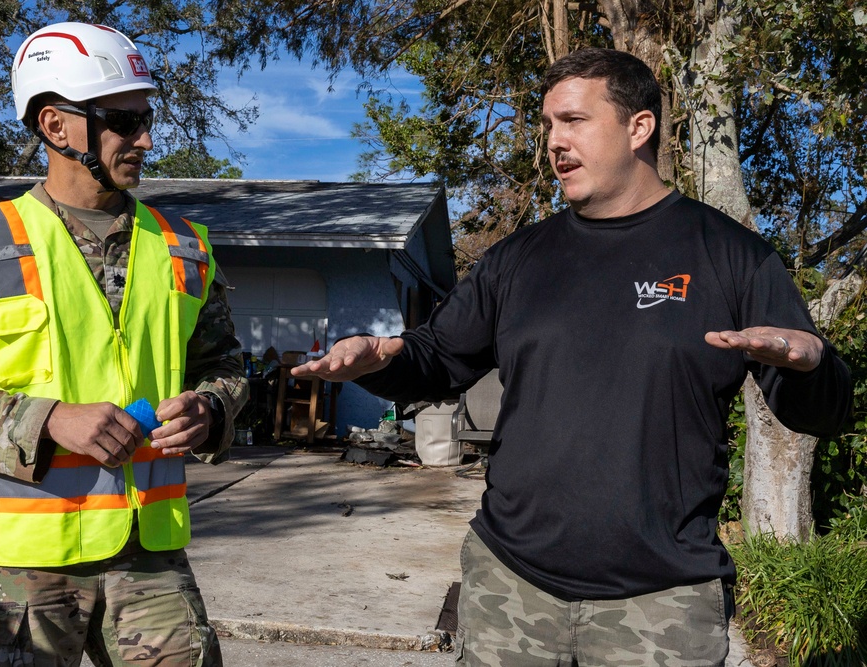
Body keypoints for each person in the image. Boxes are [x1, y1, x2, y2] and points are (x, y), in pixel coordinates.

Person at [292, 48, 852, 666]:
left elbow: (820, 411)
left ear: (639, 127)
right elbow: (439, 357)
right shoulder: (518, 259)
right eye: (548, 126)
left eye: (574, 121)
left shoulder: (731, 256)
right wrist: (380, 356)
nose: (554, 143)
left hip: (663, 600)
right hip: (511, 582)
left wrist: (813, 362)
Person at [0, 22, 247, 666]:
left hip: (149, 555)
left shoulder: (184, 245)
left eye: (146, 117)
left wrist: (212, 409)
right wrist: (51, 420)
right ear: (57, 127)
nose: (145, 138)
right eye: (122, 119)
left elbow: (223, 366)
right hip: (20, 569)